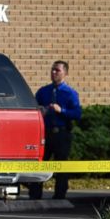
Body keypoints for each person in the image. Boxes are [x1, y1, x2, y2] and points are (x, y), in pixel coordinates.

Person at [28, 60, 81, 200]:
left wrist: (61, 110)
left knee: (61, 165)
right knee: (40, 163)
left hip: (62, 133)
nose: (53, 72)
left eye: (57, 70)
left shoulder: (70, 93)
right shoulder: (43, 91)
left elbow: (77, 114)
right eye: (52, 69)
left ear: (65, 73)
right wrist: (40, 111)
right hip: (45, 133)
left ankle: (59, 195)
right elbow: (33, 108)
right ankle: (34, 194)